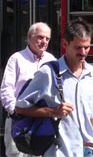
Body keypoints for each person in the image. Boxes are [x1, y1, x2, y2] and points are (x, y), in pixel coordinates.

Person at [14, 19, 93, 157]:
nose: (83, 52)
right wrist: (53, 112)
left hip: (88, 152)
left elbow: (91, 116)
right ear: (64, 44)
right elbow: (19, 108)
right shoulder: (47, 73)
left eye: (87, 47)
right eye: (78, 47)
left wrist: (92, 145)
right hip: (60, 151)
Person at [1, 22, 57, 157]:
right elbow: (6, 90)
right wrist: (15, 111)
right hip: (19, 121)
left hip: (43, 123)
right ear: (29, 37)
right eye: (40, 37)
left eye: (47, 39)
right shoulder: (16, 59)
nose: (44, 42)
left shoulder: (52, 61)